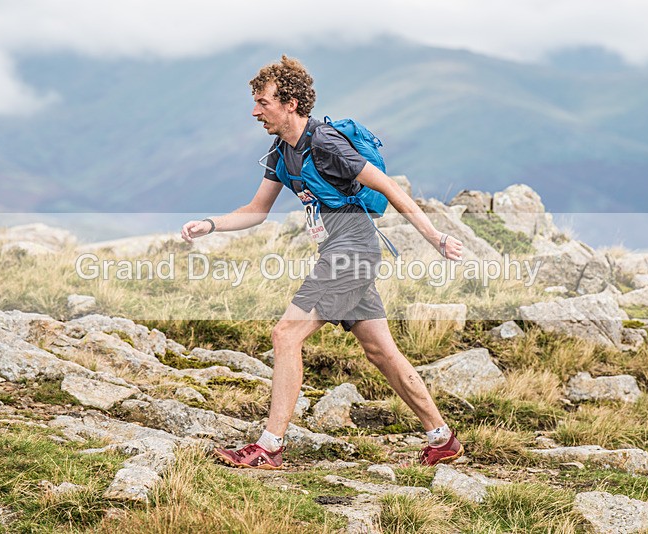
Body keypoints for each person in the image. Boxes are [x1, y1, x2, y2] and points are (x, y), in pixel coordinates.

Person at [181, 55, 465, 470]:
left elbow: (388, 187)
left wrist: (435, 237)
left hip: (352, 252)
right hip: (340, 253)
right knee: (381, 351)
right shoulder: (282, 150)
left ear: (291, 103)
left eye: (263, 102)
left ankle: (269, 446)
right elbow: (257, 209)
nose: (255, 111)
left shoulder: (327, 144)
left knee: (285, 335)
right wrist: (211, 224)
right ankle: (443, 439)